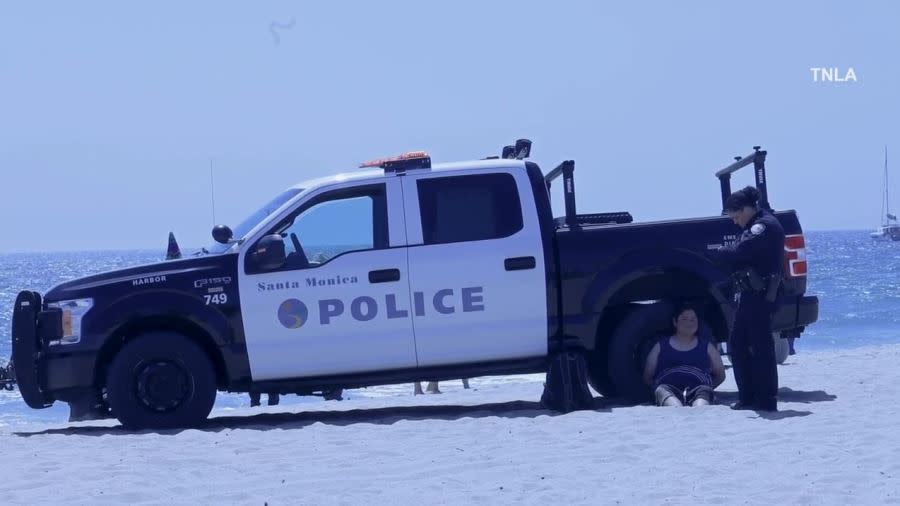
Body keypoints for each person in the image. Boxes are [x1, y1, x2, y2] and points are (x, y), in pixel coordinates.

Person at [710, 186, 785, 412]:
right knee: (738, 344)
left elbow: (740, 252)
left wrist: (714, 252)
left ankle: (766, 399)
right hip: (749, 293)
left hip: (761, 294)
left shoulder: (764, 226)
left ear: (746, 209)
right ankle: (749, 397)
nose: (735, 221)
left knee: (761, 346)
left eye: (736, 216)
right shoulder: (755, 224)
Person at [643, 304, 726, 406]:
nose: (689, 323)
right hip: (667, 388)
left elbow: (720, 375)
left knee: (701, 406)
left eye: (693, 319)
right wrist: (658, 388)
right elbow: (648, 377)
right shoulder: (660, 346)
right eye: (684, 319)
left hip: (700, 388)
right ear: (675, 322)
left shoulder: (707, 346)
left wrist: (708, 386)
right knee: (673, 406)